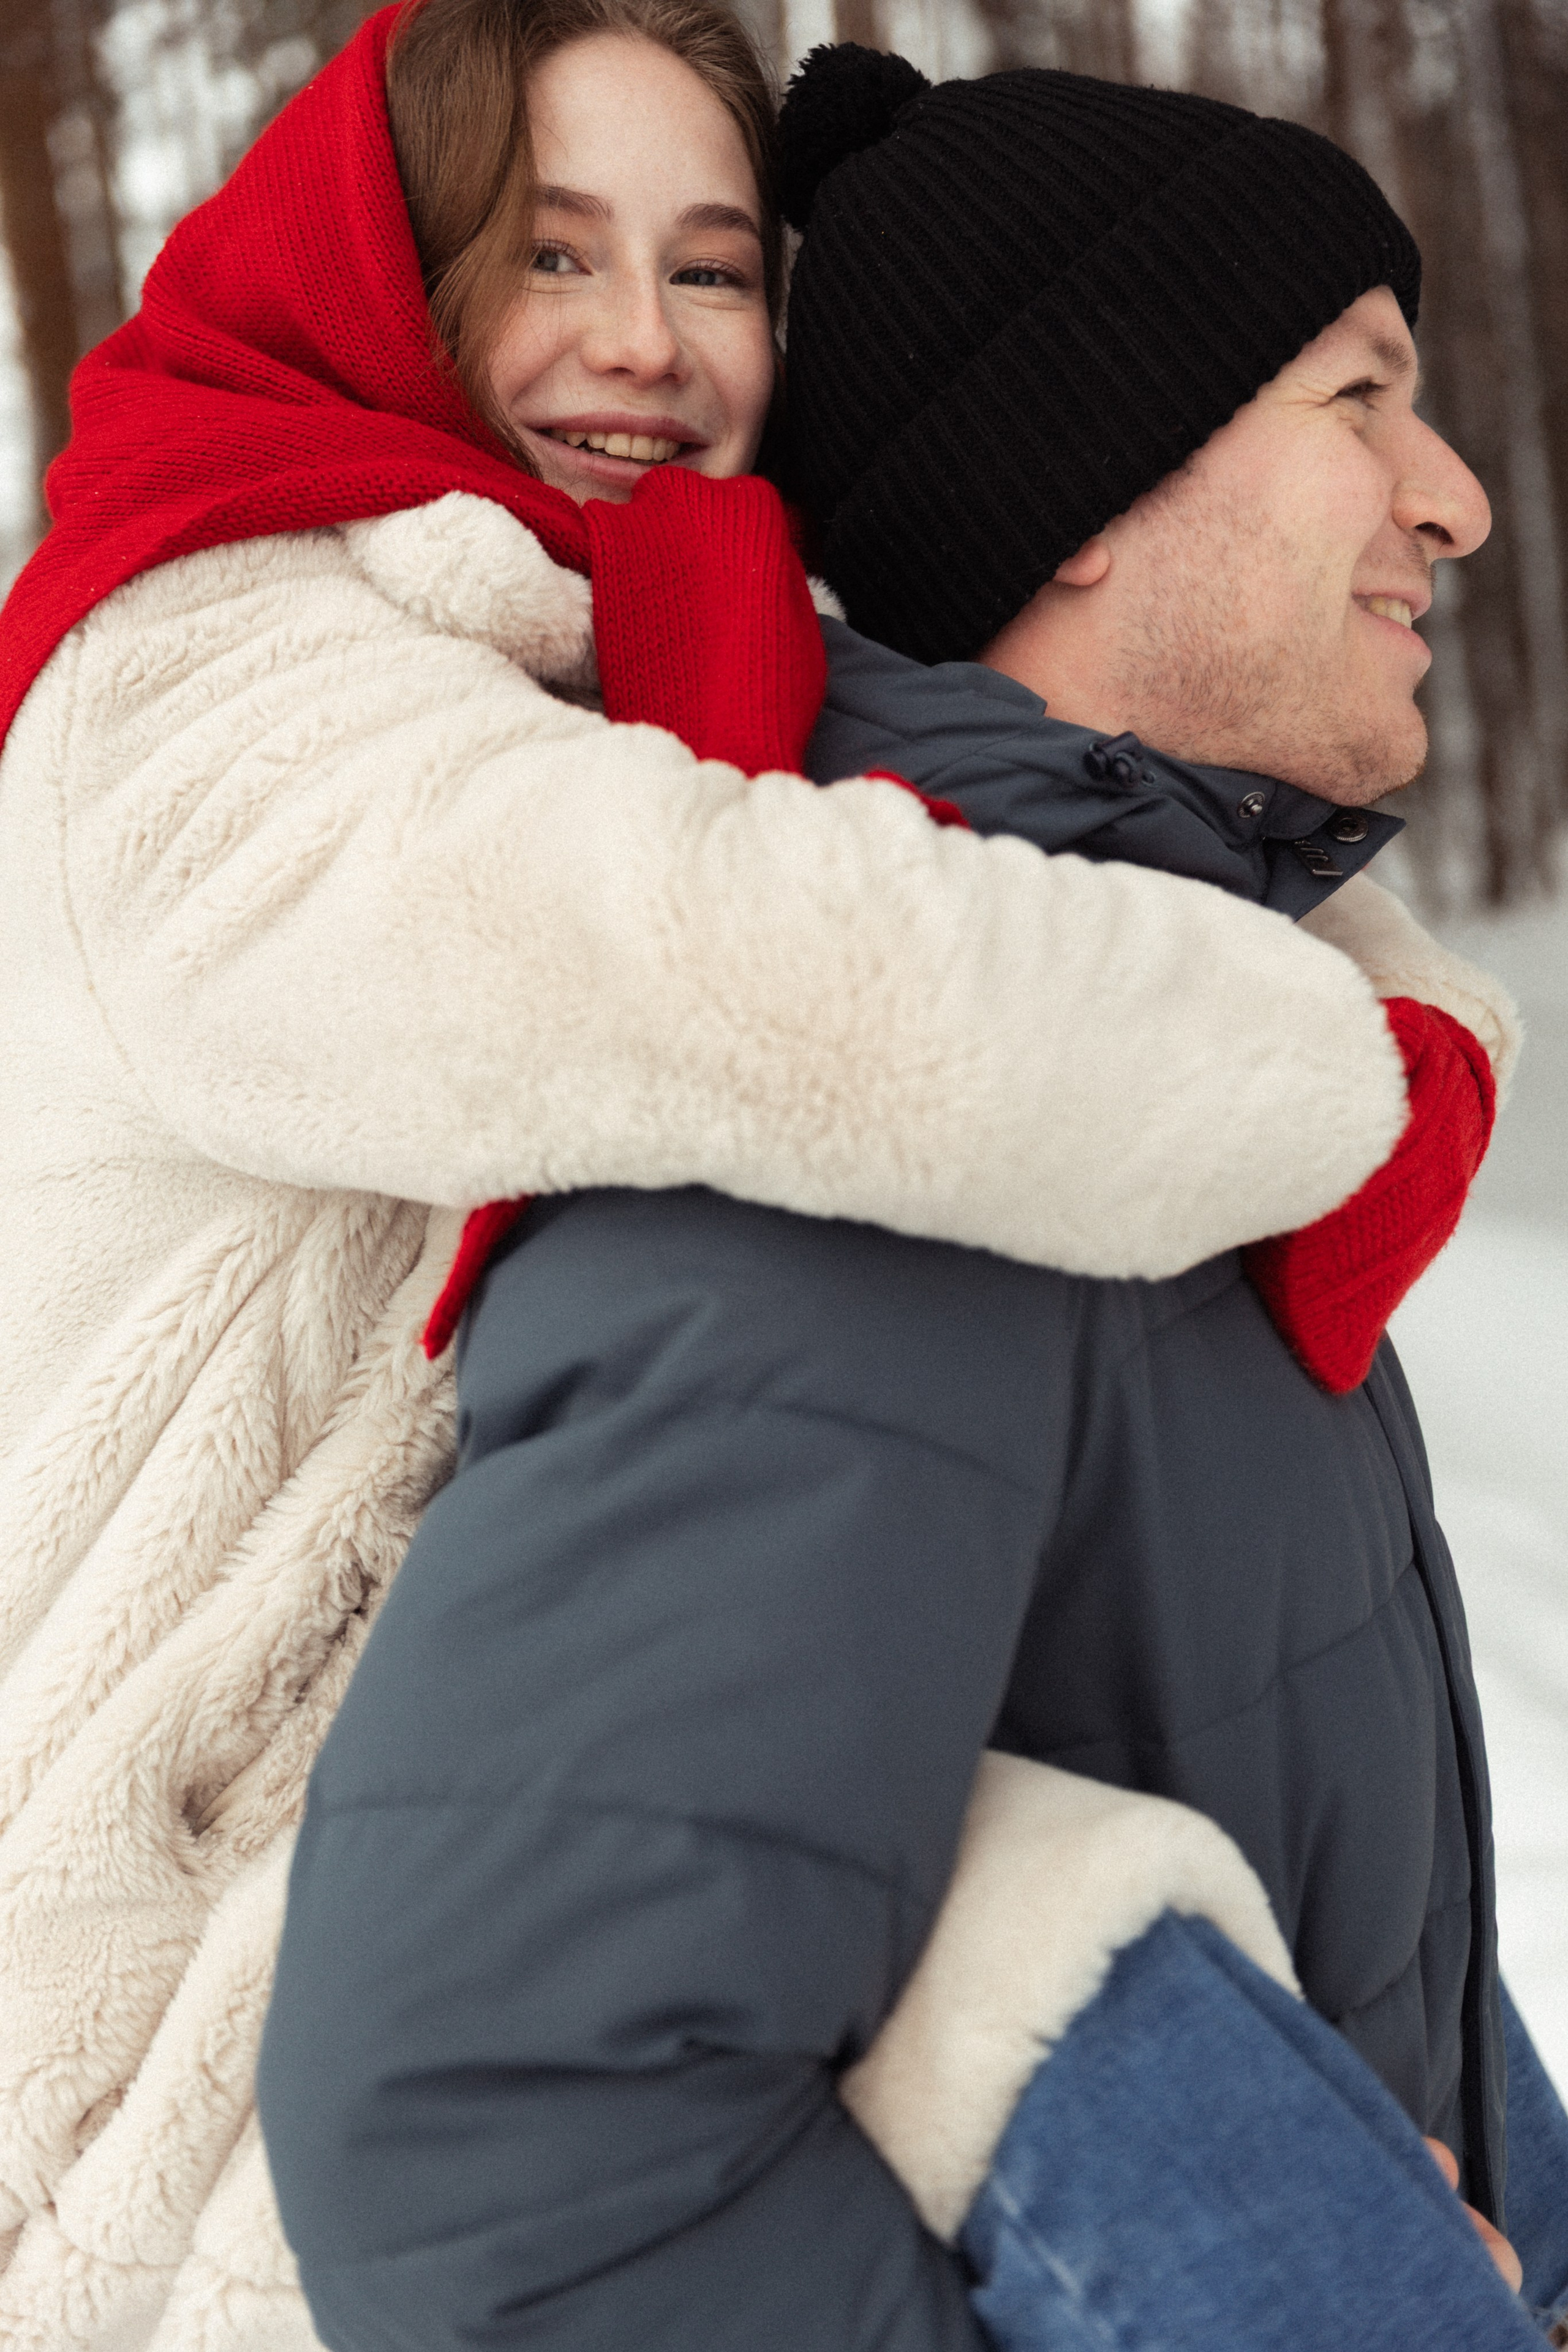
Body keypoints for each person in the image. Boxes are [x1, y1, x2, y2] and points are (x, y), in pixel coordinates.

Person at [0, 7, 1478, 2349]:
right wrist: (1354, 1054)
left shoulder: (640, 673)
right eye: (551, 252)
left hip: (432, 1829)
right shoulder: (209, 688)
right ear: (385, 277)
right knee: (1018, 1938)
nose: (643, 341)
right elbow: (751, 962)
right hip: (141, 2005)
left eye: (710, 270)